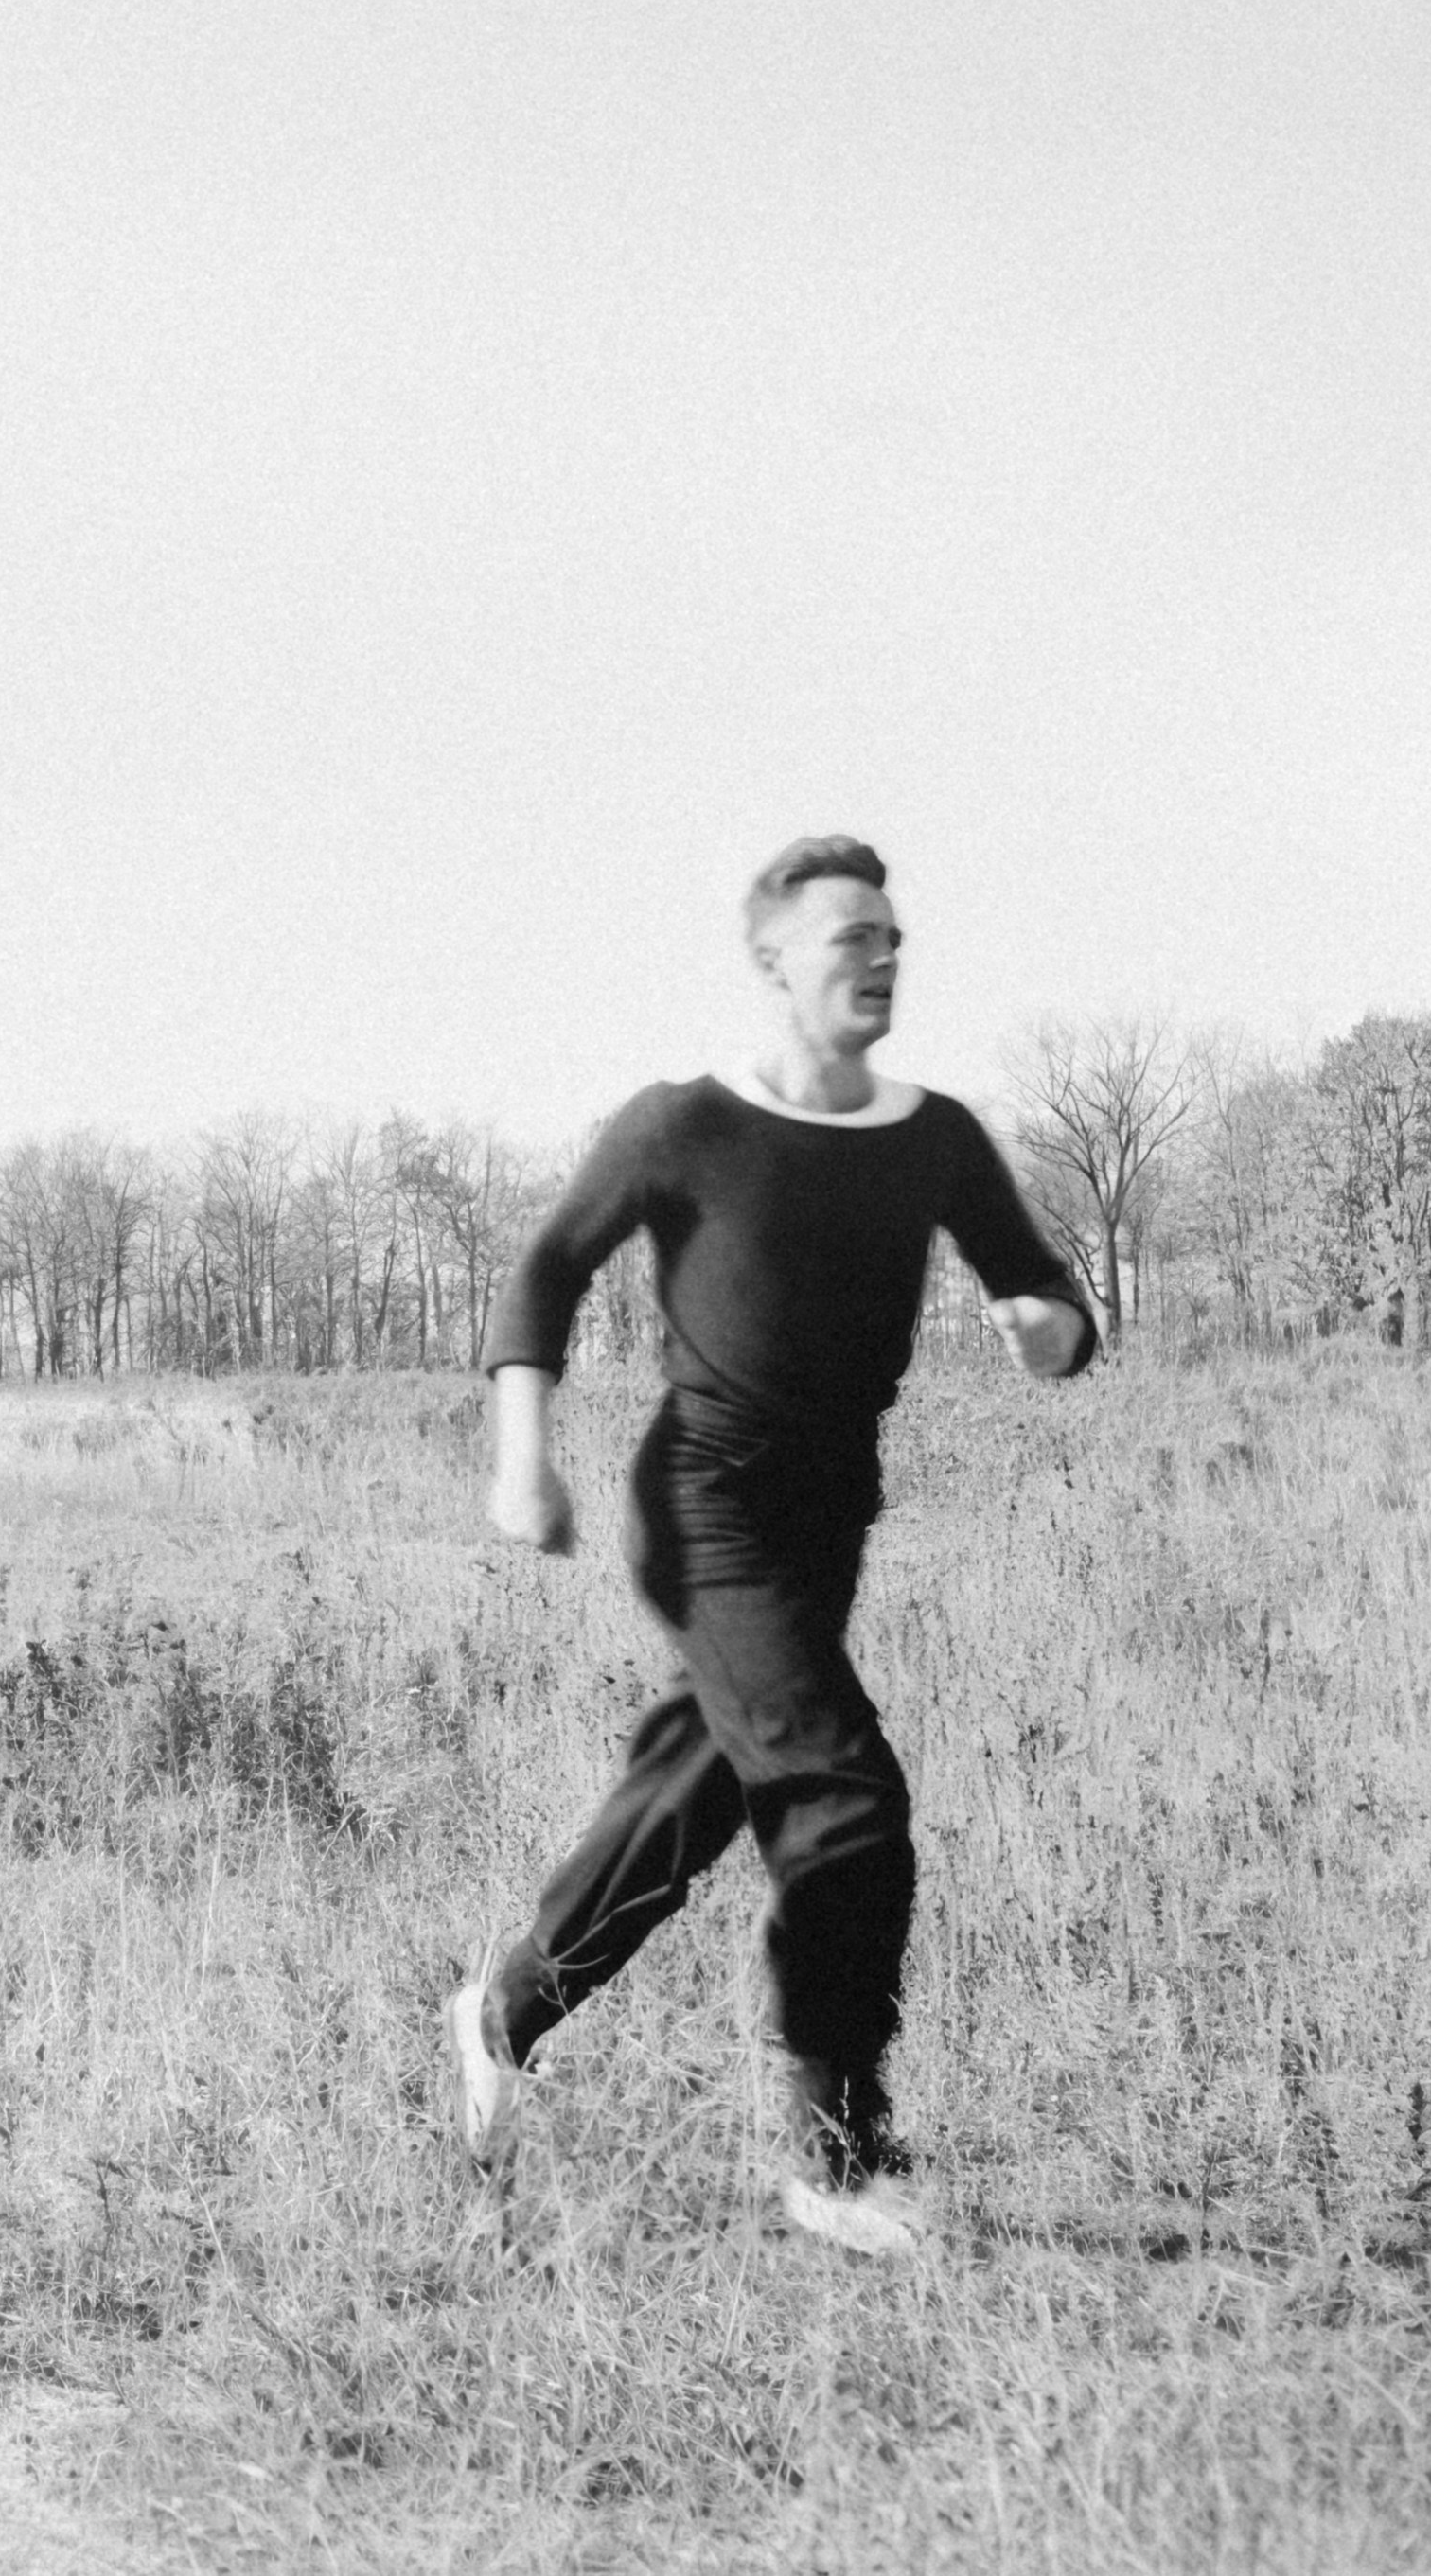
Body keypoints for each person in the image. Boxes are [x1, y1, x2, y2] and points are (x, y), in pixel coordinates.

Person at [446, 836, 1096, 2260]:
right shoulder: (688, 1125)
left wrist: (1055, 1325)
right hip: (705, 1500)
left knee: (703, 1781)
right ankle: (837, 2156)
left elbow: (1041, 1287)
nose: (880, 957)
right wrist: (523, 1460)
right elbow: (547, 1270)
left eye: (893, 937)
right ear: (774, 960)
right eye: (850, 935)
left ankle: (507, 2009)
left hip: (828, 1509)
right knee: (843, 1801)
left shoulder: (932, 1134)